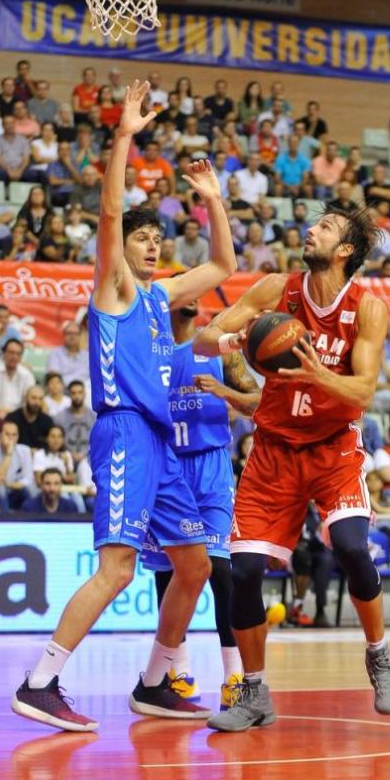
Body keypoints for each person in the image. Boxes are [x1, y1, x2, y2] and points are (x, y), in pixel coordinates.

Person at [12, 80, 237, 732]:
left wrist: (213, 200)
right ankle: (40, 681)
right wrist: (124, 136)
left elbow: (223, 263)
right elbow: (110, 211)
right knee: (117, 567)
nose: (151, 246)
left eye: (156, 240)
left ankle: (155, 682)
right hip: (125, 432)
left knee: (194, 564)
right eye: (142, 239)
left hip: (161, 444)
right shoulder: (115, 289)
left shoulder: (163, 297)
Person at [194, 203, 390, 731]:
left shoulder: (367, 308)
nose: (311, 230)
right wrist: (239, 341)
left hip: (333, 449)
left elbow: (364, 391)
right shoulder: (276, 290)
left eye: (325, 227)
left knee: (352, 547)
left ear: (346, 250)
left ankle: (379, 654)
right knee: (243, 571)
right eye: (314, 224)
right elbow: (203, 338)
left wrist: (316, 373)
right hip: (273, 452)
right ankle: (255, 693)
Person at [143, 295, 259, 705]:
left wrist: (224, 391)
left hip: (210, 468)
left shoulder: (219, 349)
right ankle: (176, 672)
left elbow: (258, 404)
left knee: (221, 571)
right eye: (182, 290)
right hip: (167, 468)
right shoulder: (149, 352)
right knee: (168, 573)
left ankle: (235, 677)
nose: (192, 295)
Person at [0, 419, 35, 511]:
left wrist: (9, 485)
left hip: (15, 487)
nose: (11, 438)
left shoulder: (25, 450)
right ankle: (4, 518)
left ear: (18, 436)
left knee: (32, 488)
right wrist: (9, 454)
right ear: (0, 435)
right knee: (0, 488)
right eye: (7, 434)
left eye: (14, 435)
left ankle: (31, 517)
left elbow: (28, 478)